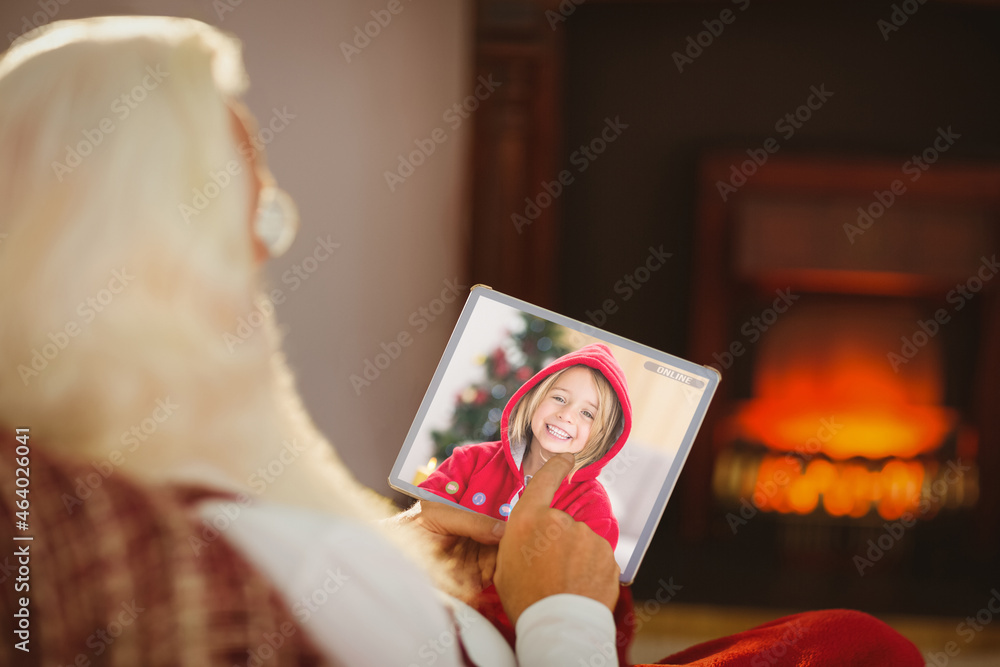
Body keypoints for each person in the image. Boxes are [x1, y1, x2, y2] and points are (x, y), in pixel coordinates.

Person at [0, 15, 926, 667]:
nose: (263, 269)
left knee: (847, 637)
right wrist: (562, 612)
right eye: (259, 223)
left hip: (480, 611)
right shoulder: (108, 533)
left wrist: (407, 550)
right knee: (860, 647)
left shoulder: (140, 490)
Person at [420, 343, 630, 549]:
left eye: (587, 413)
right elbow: (421, 522)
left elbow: (584, 579)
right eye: (559, 398)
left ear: (604, 436)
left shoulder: (593, 510)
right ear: (535, 399)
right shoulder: (470, 460)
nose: (565, 415)